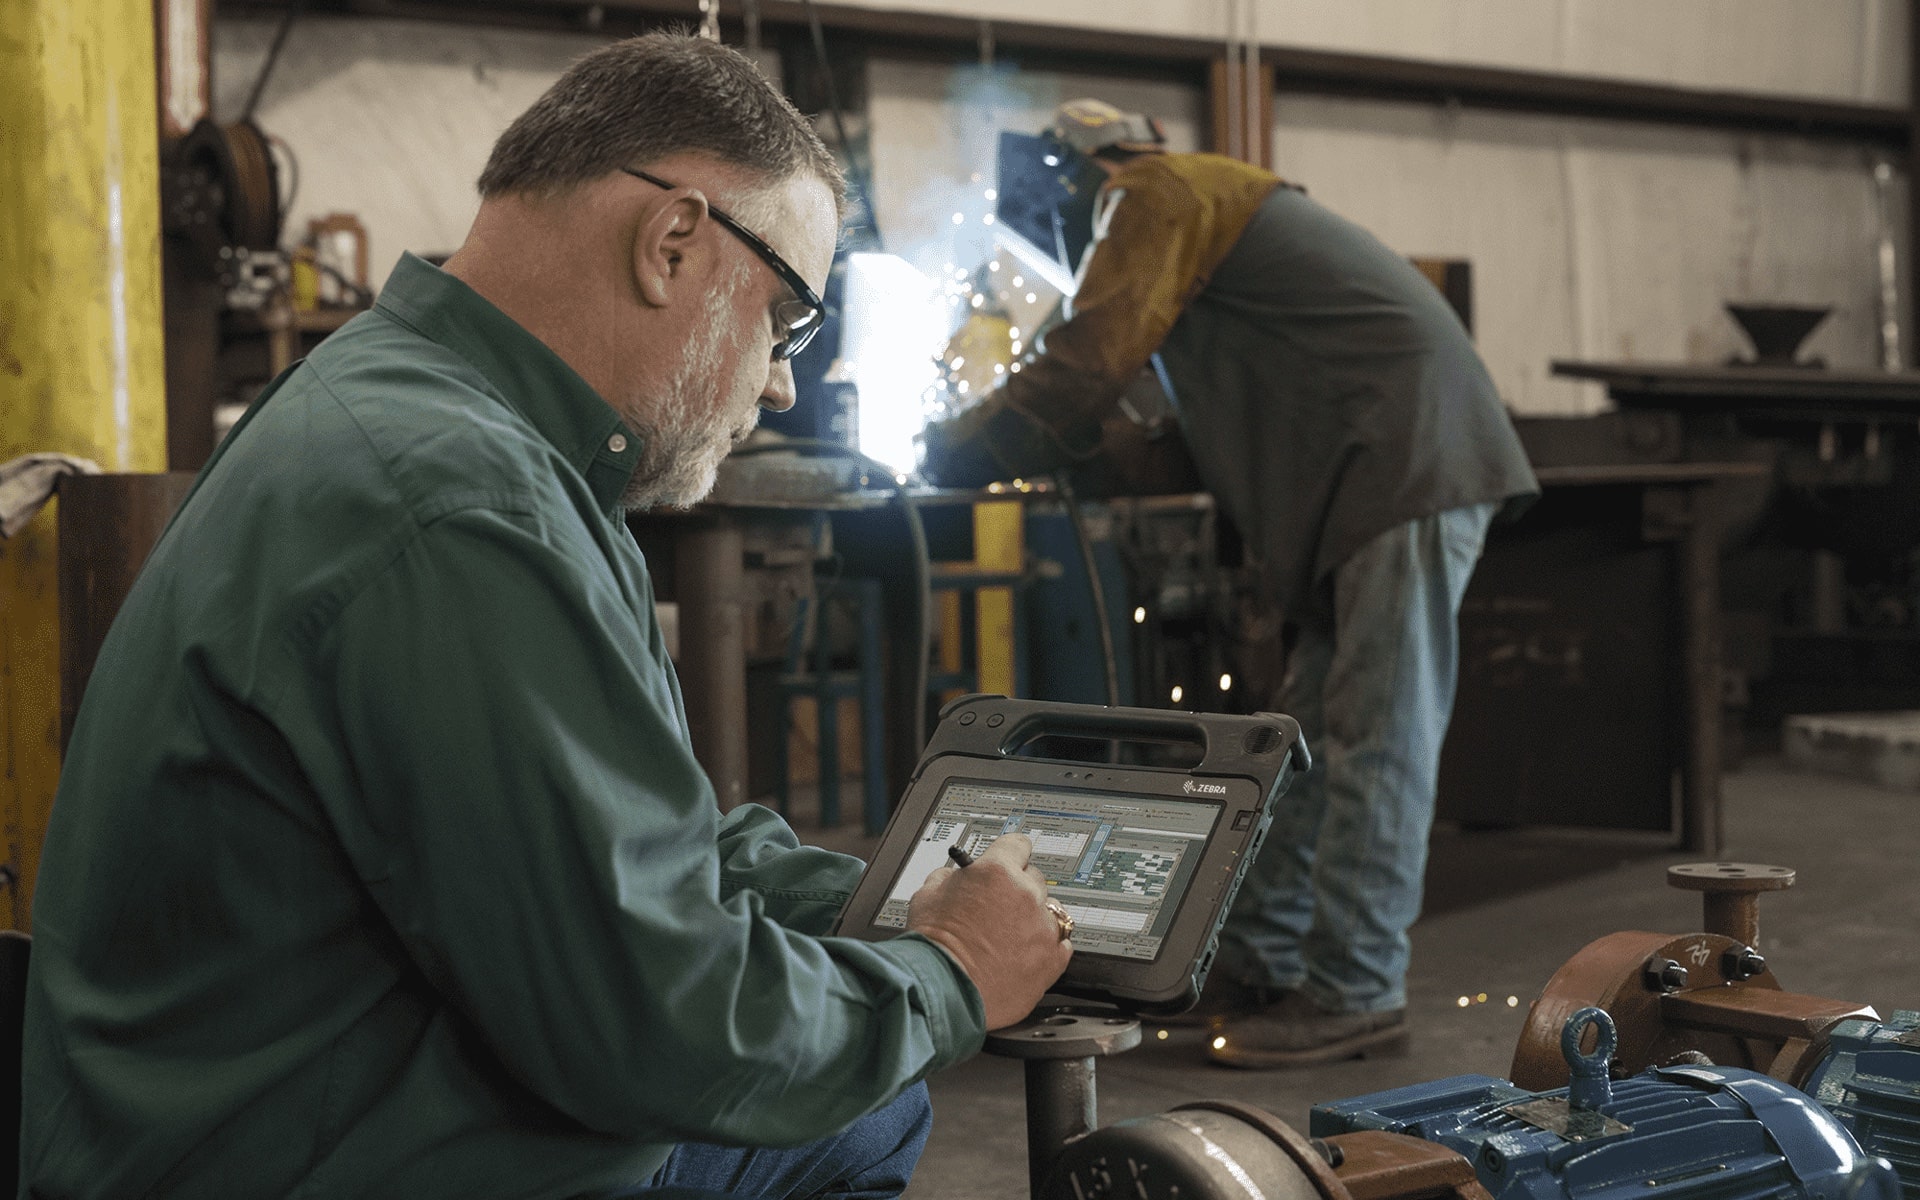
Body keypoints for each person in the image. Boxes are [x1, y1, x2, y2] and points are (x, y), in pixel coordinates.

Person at [22, 34, 1073, 1198]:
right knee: (865, 1103)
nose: (780, 382)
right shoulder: (469, 509)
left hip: (260, 1107)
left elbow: (621, 840)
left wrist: (880, 904)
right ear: (673, 242)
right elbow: (666, 1031)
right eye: (786, 320)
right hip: (312, 1155)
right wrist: (955, 968)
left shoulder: (411, 408)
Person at [919, 99, 1537, 1069]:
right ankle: (1264, 960)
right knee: (1313, 744)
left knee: (1375, 738)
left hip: (1402, 460)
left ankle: (1356, 992)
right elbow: (1153, 431)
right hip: (1366, 475)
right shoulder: (1200, 232)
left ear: (1071, 173)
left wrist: (957, 442)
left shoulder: (1153, 192)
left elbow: (1088, 354)